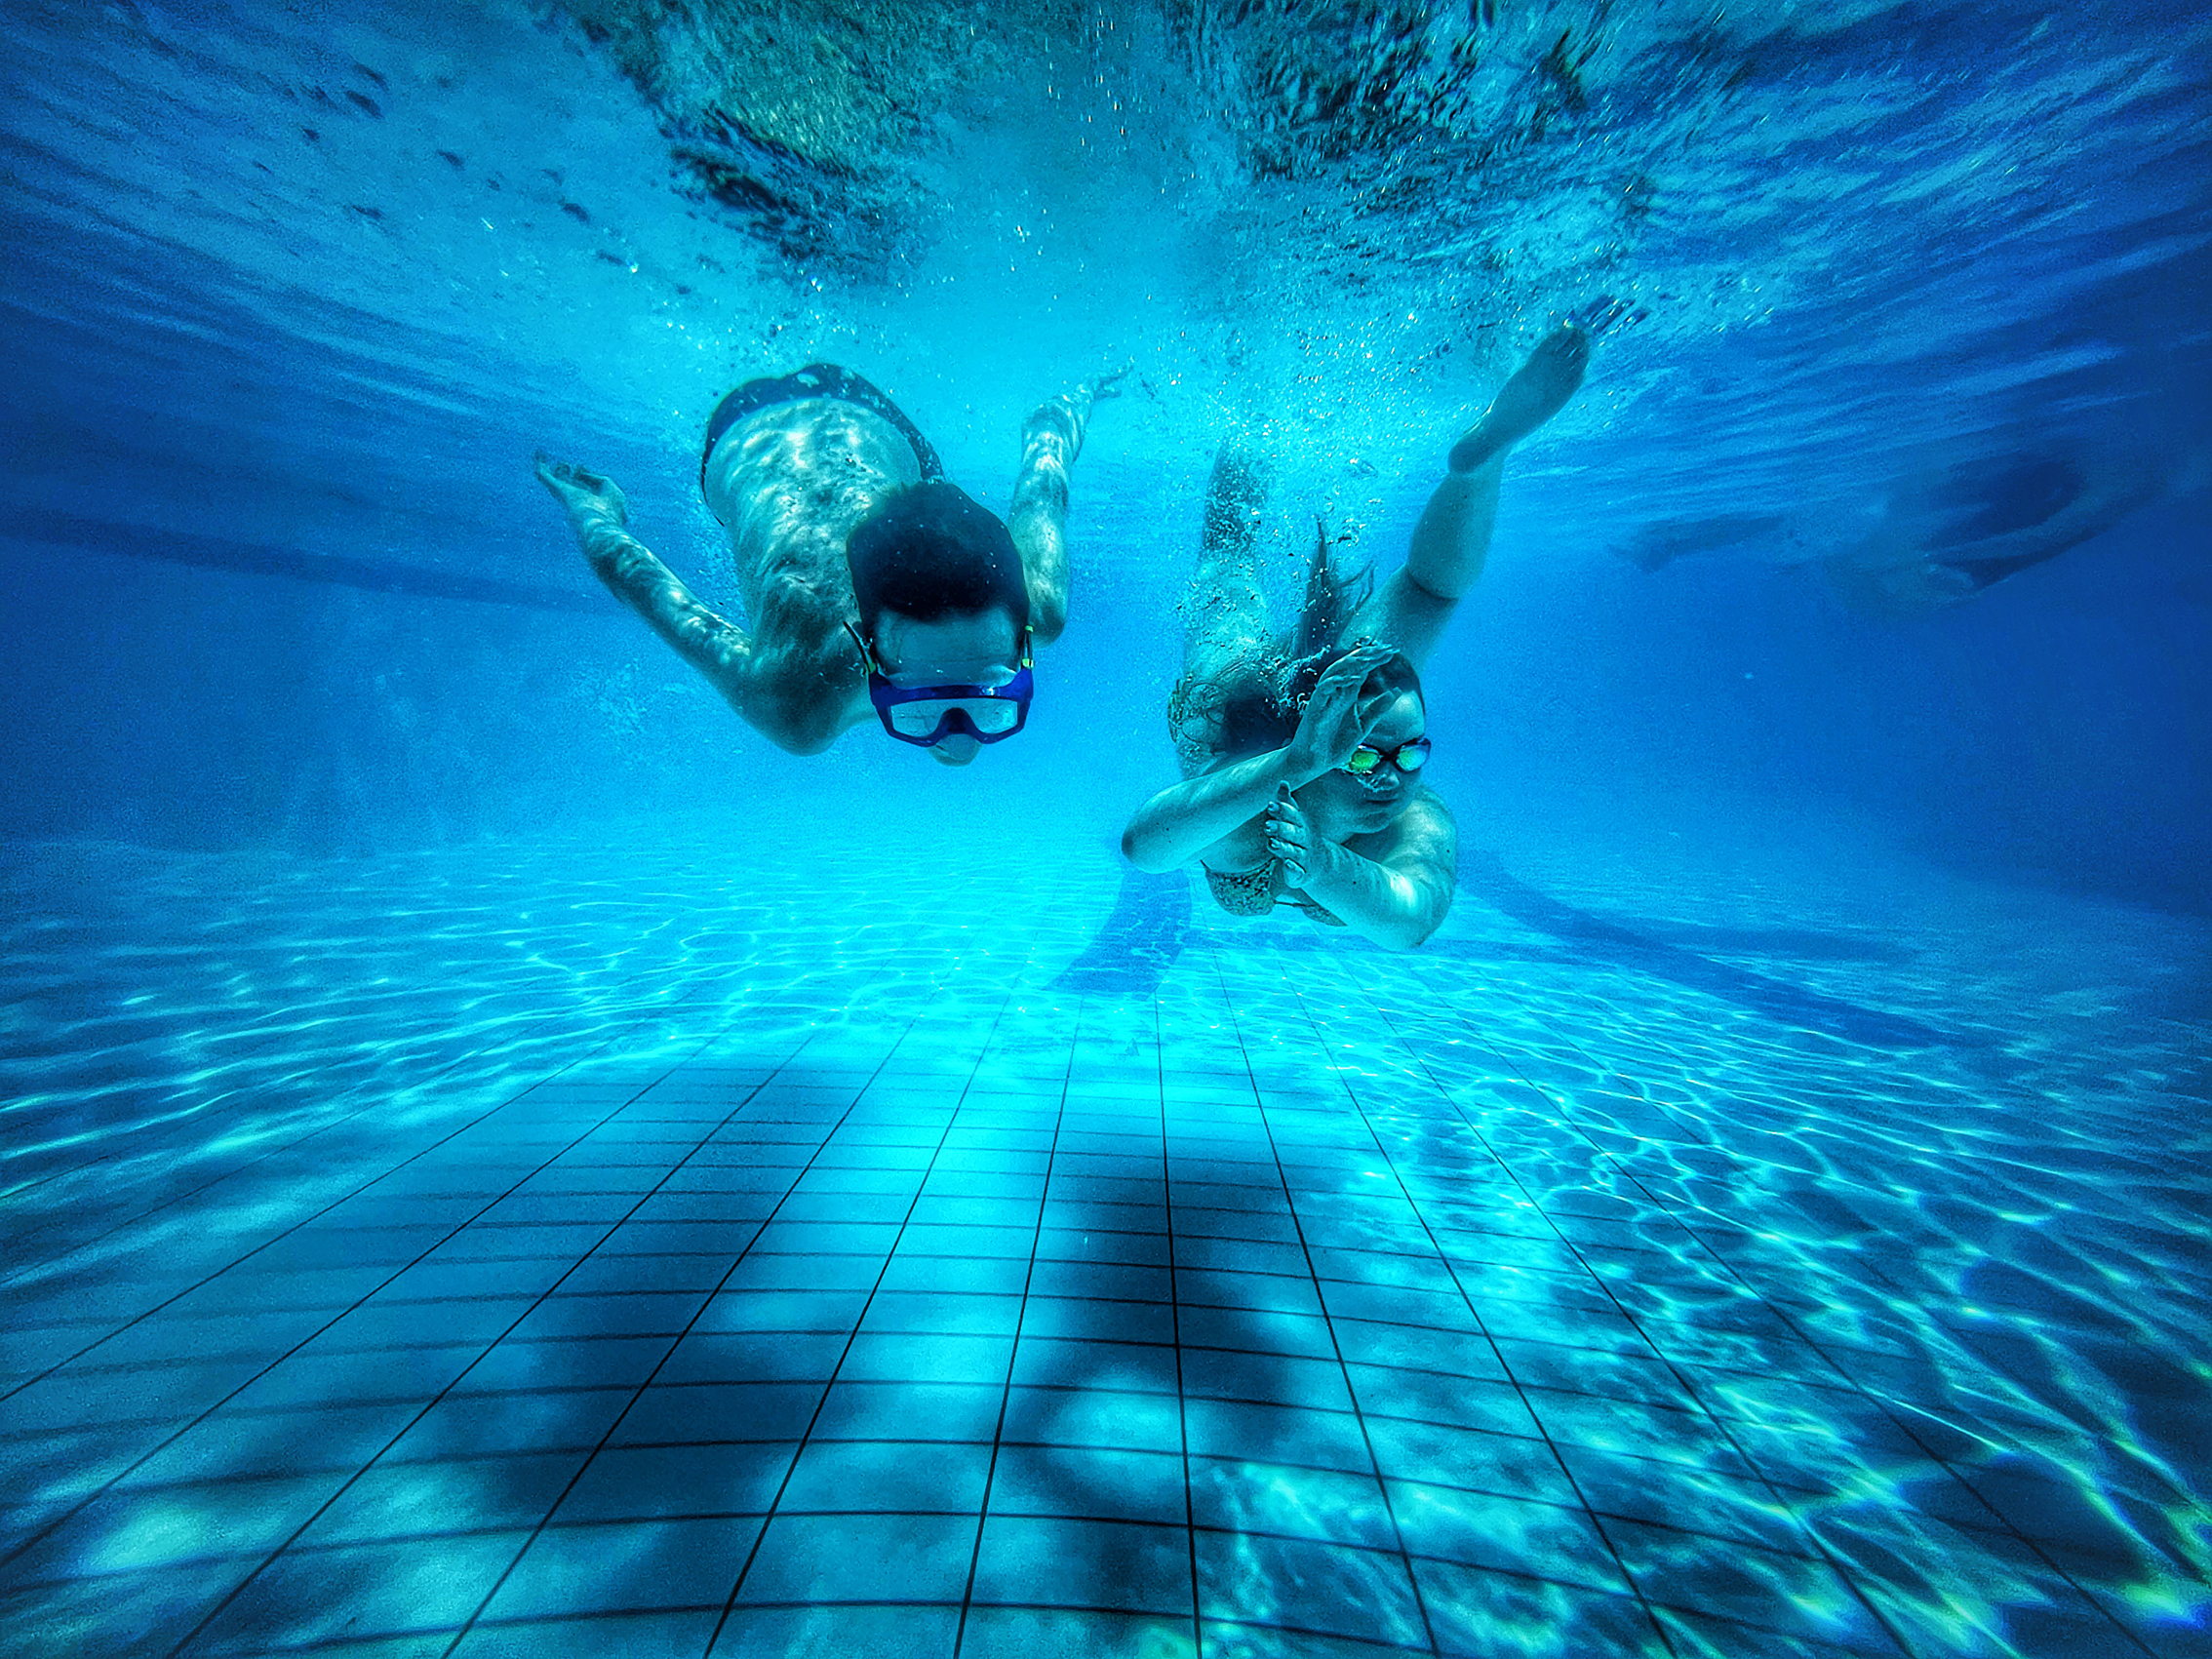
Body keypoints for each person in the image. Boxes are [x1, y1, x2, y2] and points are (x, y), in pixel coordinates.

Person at [1121, 326, 1589, 950]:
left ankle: (1479, 468)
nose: (1389, 780)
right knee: (1226, 562)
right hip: (1240, 700)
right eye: (1363, 755)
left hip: (1319, 708)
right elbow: (1143, 847)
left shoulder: (1415, 819)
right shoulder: (1252, 807)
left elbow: (1413, 920)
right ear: (1320, 743)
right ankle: (1247, 415)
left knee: (1424, 604)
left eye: (1412, 752)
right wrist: (1295, 762)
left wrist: (1322, 864)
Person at [535, 362, 1120, 764]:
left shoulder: (1034, 602)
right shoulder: (794, 699)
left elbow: (1046, 481)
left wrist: (1062, 412)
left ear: (1018, 642)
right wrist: (594, 513)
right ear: (867, 647)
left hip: (855, 423)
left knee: (935, 497)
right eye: (920, 696)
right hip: (752, 432)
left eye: (992, 685)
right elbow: (647, 590)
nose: (961, 738)